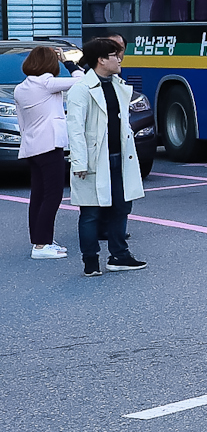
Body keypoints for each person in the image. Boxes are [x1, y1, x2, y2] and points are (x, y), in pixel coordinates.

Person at [66, 37, 147, 275]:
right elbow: (75, 128)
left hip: (119, 156)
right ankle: (90, 260)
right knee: (91, 212)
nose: (119, 59)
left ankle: (119, 255)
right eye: (114, 55)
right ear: (101, 60)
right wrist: (79, 161)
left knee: (121, 208)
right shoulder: (81, 89)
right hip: (93, 159)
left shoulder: (117, 84)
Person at [18, 46, 78, 260]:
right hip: (50, 145)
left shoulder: (21, 88)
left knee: (38, 195)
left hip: (32, 146)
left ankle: (40, 241)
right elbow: (82, 80)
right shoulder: (46, 83)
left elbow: (21, 122)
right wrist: (68, 62)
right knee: (53, 195)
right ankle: (42, 245)